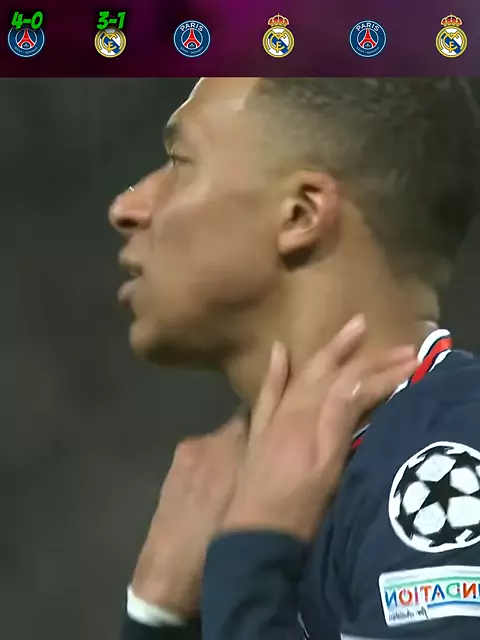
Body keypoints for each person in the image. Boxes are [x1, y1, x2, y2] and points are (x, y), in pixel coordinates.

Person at [109, 78, 480, 640]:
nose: (127, 207)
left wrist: (253, 553)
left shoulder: (454, 452)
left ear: (300, 214)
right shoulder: (236, 486)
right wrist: (155, 616)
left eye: (180, 161)